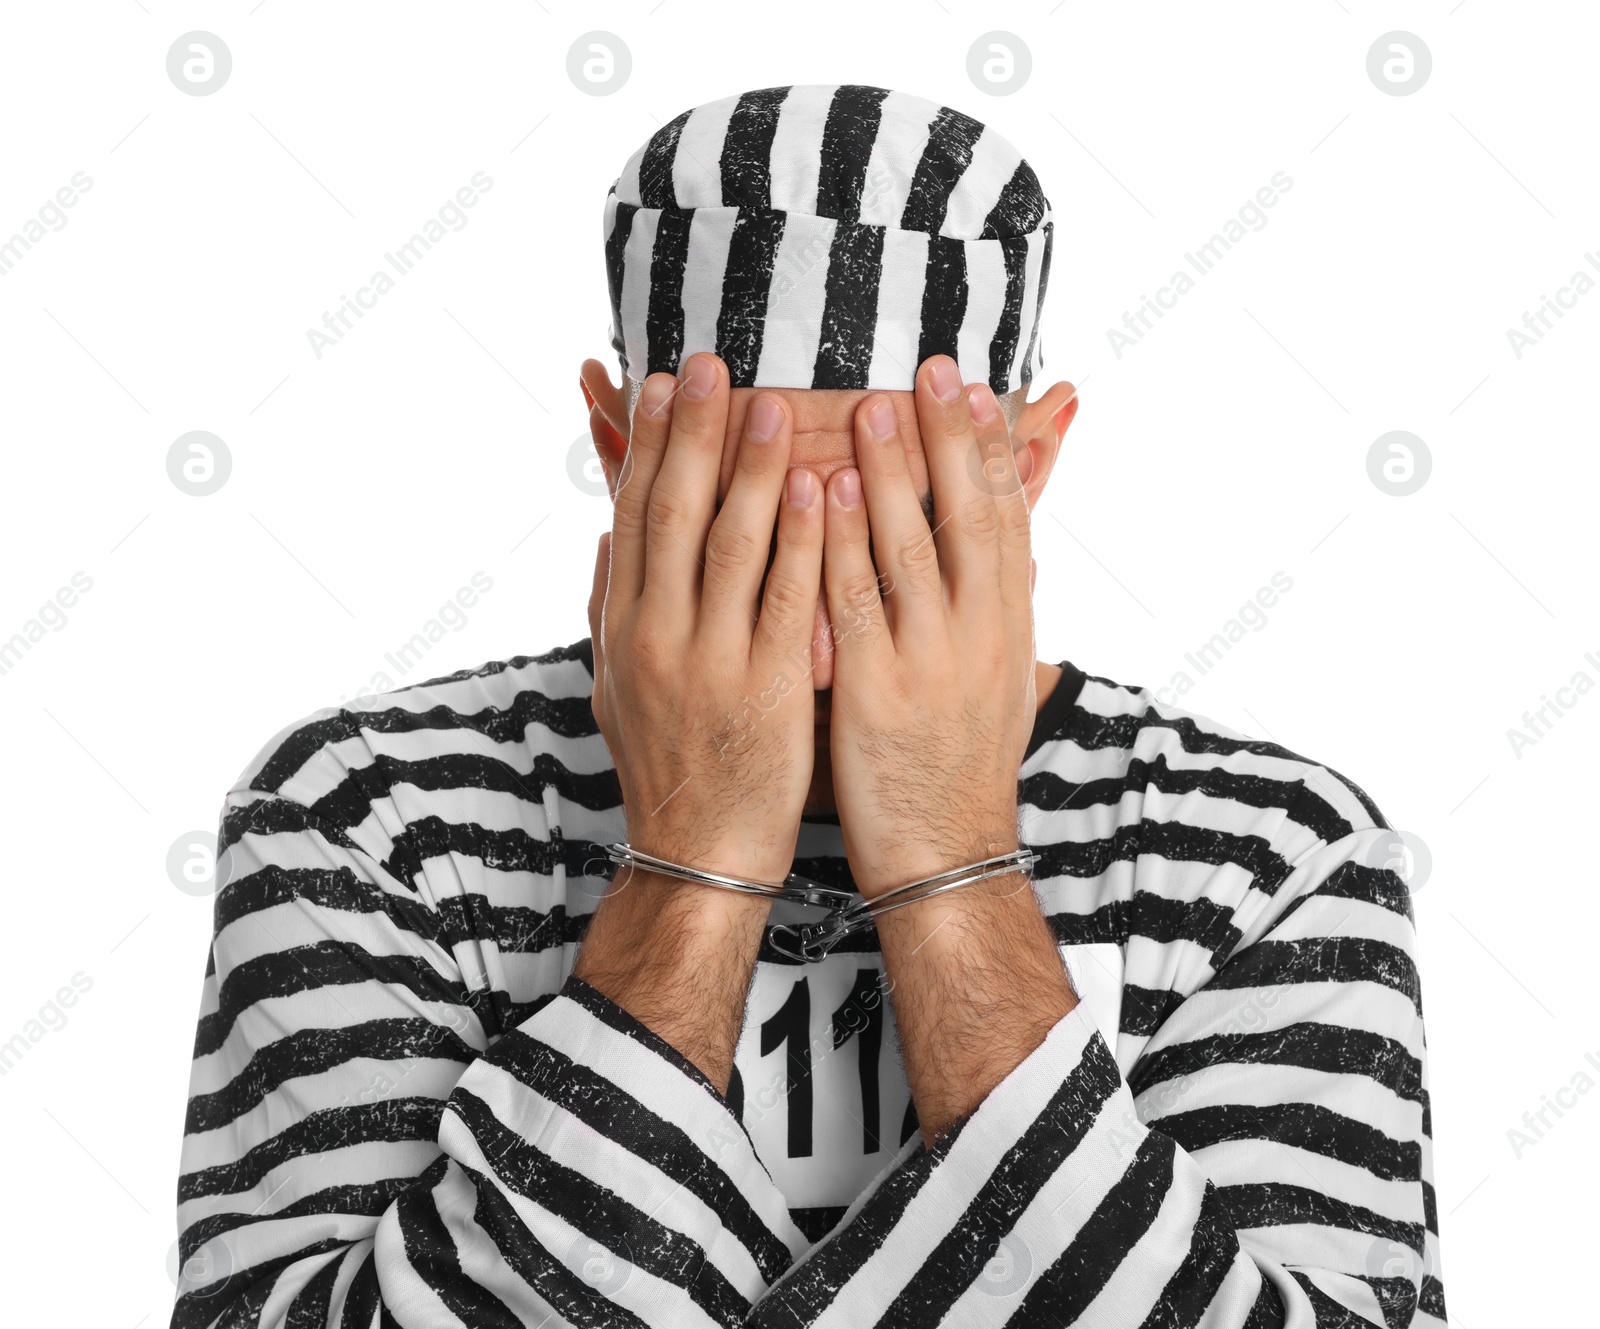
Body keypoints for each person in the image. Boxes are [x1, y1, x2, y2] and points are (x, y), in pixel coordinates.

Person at [168, 85, 1446, 1327]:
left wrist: (949, 858)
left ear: (1027, 465)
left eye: (893, 500)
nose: (822, 577)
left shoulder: (1274, 853)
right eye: (757, 493)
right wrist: (695, 856)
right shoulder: (362, 816)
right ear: (623, 457)